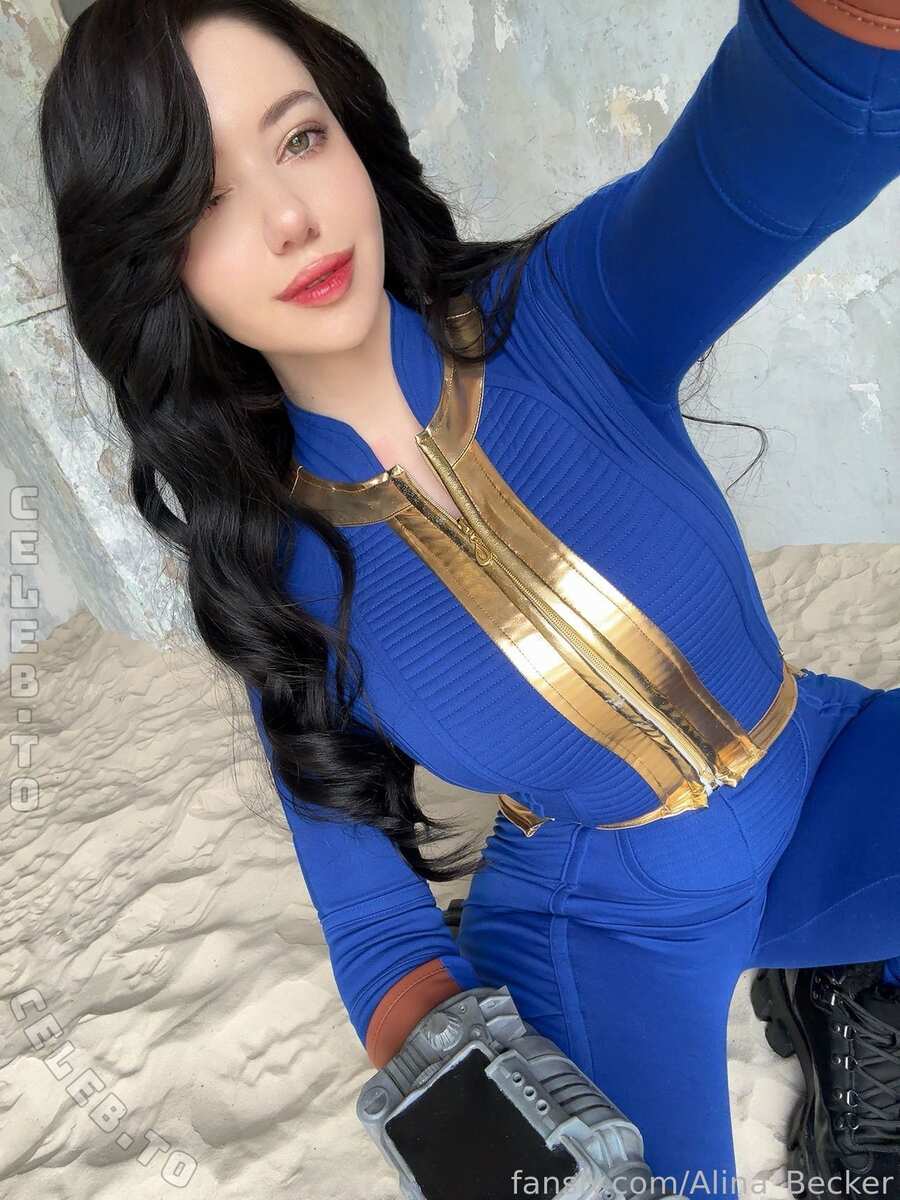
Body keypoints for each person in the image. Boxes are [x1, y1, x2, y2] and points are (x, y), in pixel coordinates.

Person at [37, 0, 900, 1195]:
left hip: (817, 763)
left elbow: (784, 137)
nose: (291, 217)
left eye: (299, 139)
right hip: (604, 925)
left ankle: (856, 993)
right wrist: (466, 1081)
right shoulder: (276, 575)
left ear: (352, 136)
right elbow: (373, 924)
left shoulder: (568, 308)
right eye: (208, 199)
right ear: (155, 263)